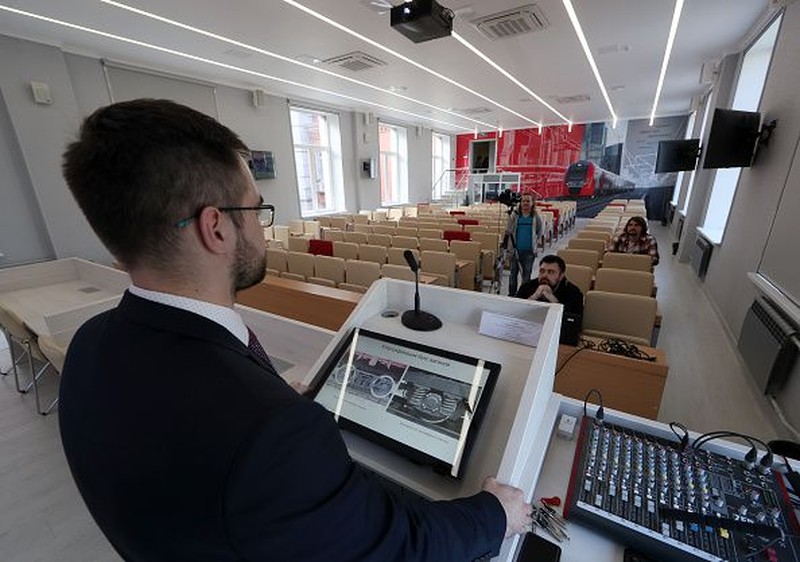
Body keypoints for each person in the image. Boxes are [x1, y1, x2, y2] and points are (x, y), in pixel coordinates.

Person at [59, 99, 531, 562]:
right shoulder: (271, 432)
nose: (263, 227)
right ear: (216, 228)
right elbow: (395, 547)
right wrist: (493, 514)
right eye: (256, 210)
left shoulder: (88, 344)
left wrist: (268, 398)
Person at [515, 255, 584, 316]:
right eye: (542, 271)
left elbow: (573, 321)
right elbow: (514, 312)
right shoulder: (526, 286)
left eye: (551, 272)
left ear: (561, 276)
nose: (545, 275)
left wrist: (553, 300)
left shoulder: (574, 293)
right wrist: (534, 297)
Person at [504, 192, 543, 296]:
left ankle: (523, 295)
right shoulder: (515, 215)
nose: (525, 203)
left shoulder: (535, 216)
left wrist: (535, 242)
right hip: (515, 251)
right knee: (513, 275)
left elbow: (539, 231)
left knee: (526, 276)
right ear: (520, 203)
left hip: (529, 252)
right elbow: (508, 231)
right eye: (523, 201)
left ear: (532, 203)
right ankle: (512, 295)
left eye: (528, 201)